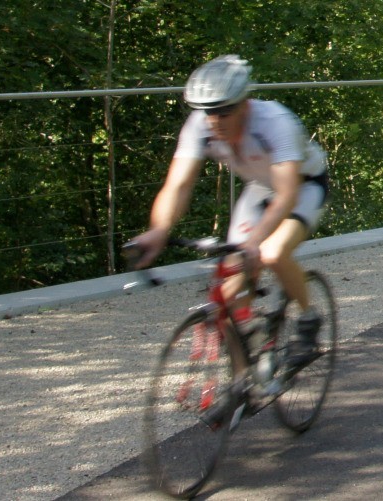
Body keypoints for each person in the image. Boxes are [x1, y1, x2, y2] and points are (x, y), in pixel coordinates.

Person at [130, 55, 329, 370]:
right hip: (261, 187)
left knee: (272, 253)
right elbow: (178, 185)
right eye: (209, 112)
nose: (215, 121)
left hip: (303, 186)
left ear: (245, 103)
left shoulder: (275, 122)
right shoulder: (200, 125)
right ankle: (241, 383)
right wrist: (159, 230)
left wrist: (256, 243)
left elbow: (287, 194)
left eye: (225, 111)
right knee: (230, 288)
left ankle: (308, 319)